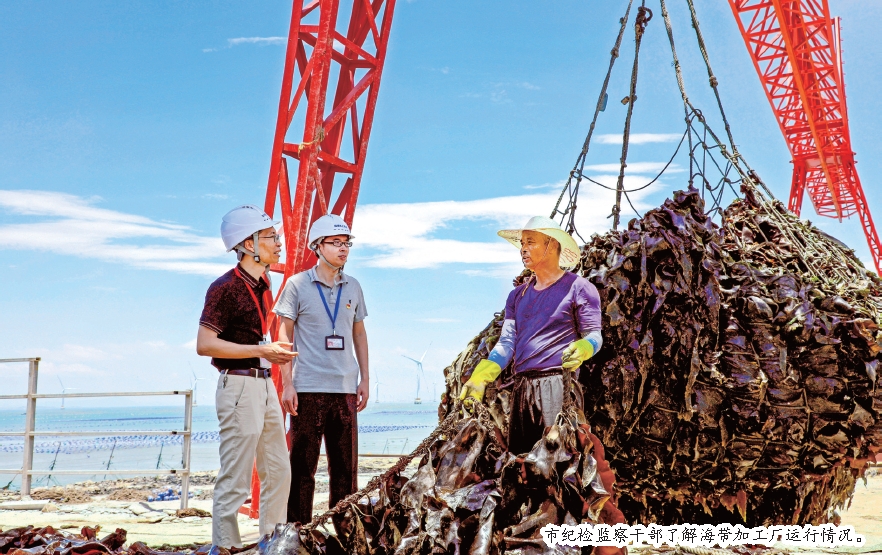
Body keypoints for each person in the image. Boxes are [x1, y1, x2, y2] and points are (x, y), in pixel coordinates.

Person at [196, 205, 295, 550]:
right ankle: (223, 547)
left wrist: (272, 357)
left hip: (263, 383)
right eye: (271, 237)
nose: (278, 243)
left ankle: (271, 542)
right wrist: (262, 350)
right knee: (236, 478)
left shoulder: (263, 283)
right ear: (249, 244)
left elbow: (257, 340)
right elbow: (205, 344)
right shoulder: (223, 288)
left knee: (279, 471)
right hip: (238, 385)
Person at [459, 216, 603, 455]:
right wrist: (481, 376)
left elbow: (595, 335)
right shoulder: (517, 296)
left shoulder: (579, 287)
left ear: (552, 244)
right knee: (521, 464)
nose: (523, 249)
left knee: (556, 464)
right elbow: (507, 342)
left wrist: (585, 348)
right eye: (522, 243)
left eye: (531, 242)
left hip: (558, 384)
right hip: (522, 388)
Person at [273, 213, 370, 525]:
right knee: (303, 469)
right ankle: (297, 534)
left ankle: (343, 535)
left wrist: (365, 378)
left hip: (344, 390)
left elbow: (359, 333)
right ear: (317, 246)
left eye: (347, 244)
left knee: (345, 472)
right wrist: (287, 383)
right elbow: (283, 333)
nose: (343, 249)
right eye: (336, 243)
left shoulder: (353, 287)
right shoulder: (296, 285)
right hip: (307, 388)